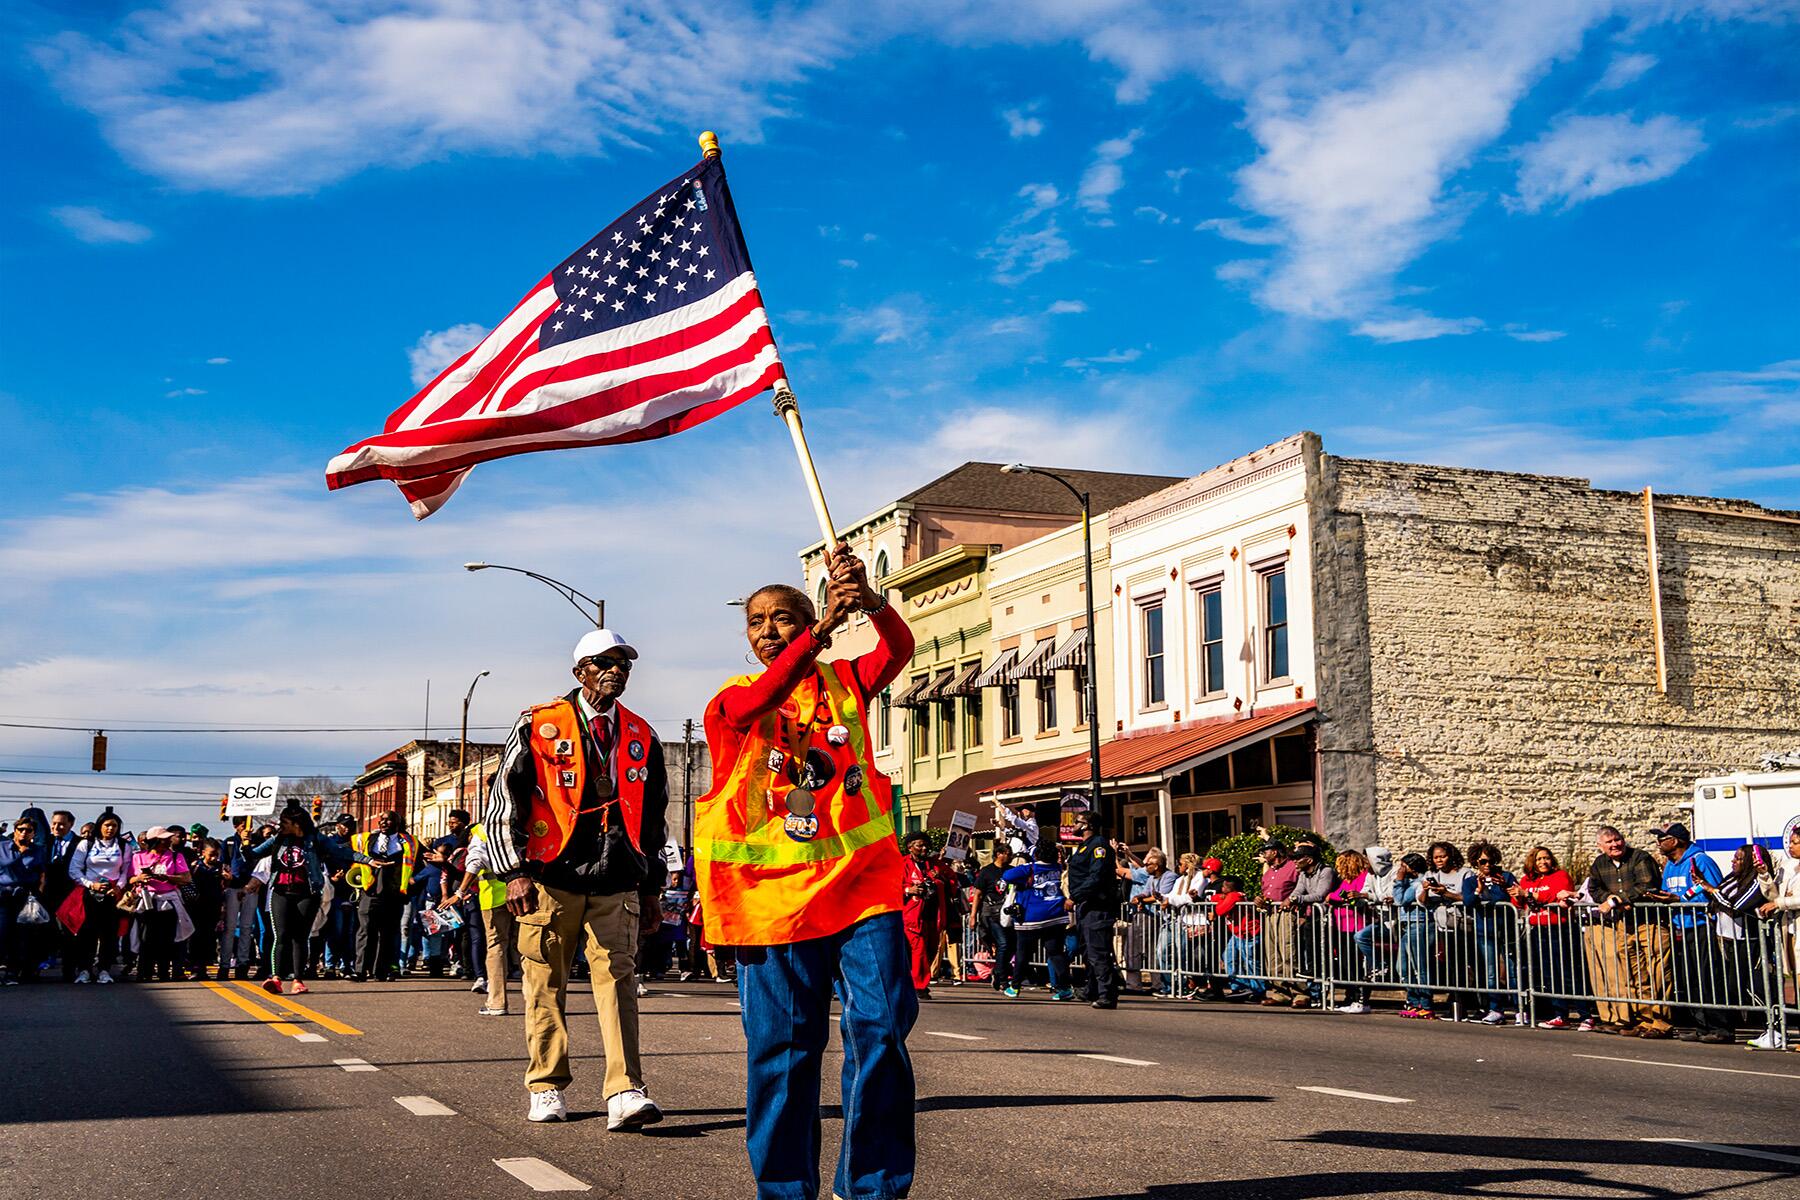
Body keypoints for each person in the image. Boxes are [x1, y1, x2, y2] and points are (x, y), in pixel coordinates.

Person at [691, 548, 916, 1200]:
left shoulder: (848, 681)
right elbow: (762, 698)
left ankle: (871, 1188)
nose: (769, 630)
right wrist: (818, 635)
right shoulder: (731, 703)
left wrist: (870, 602)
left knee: (880, 1028)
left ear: (812, 618)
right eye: (757, 622)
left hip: (860, 887)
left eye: (785, 618)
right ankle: (786, 1192)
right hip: (771, 904)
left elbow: (897, 650)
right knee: (784, 1055)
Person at [483, 626, 668, 1131]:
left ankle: (625, 1090)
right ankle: (545, 1087)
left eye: (624, 664)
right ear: (578, 671)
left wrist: (651, 888)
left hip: (617, 880)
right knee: (544, 982)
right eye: (604, 662)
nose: (616, 671)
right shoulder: (538, 724)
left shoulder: (641, 733)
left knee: (619, 985)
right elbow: (504, 799)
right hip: (551, 877)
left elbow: (653, 818)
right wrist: (513, 872)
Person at [246, 806, 365, 995]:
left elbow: (343, 853)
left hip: (307, 893)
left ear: (296, 824)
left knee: (300, 937)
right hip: (281, 892)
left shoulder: (315, 839)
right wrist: (246, 843)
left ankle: (297, 980)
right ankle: (276, 978)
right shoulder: (278, 839)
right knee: (281, 935)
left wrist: (367, 860)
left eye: (284, 822)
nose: (280, 826)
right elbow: (253, 854)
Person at [1584, 824, 1672, 1037]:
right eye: (1609, 842)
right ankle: (1643, 1019)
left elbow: (1647, 885)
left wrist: (1617, 900)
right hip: (1624, 925)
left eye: (1618, 839)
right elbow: (1594, 889)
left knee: (1658, 972)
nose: (1615, 844)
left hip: (1649, 922)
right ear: (1600, 846)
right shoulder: (1600, 863)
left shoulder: (1639, 857)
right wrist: (1608, 899)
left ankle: (1661, 1022)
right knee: (1636, 974)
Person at [1652, 821, 1728, 1042]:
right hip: (1680, 928)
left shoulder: (1700, 860)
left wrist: (1680, 899)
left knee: (1708, 977)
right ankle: (1702, 1026)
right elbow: (1670, 892)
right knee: (1690, 978)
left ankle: (1720, 1028)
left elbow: (1715, 890)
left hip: (1702, 925)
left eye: (1662, 839)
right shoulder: (1669, 866)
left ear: (1674, 841)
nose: (1658, 843)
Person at [1690, 844, 1764, 1046]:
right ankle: (1725, 1029)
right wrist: (1706, 889)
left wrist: (1711, 889)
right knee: (1726, 986)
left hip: (1747, 940)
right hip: (1725, 938)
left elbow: (1737, 905)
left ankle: (1772, 1025)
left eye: (1739, 859)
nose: (1733, 861)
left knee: (1749, 986)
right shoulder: (1731, 878)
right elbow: (1719, 899)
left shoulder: (1756, 881)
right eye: (1733, 857)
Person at [1513, 846, 1590, 1030]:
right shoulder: (1526, 879)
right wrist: (1518, 895)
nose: (1543, 862)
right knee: (1550, 975)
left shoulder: (1561, 875)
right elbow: (1520, 902)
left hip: (1559, 929)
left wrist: (1530, 894)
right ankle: (1559, 1014)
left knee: (1569, 973)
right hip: (1538, 929)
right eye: (1538, 859)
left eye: (1546, 858)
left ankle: (1585, 1015)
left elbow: (1557, 895)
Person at [444, 820, 516, 1016]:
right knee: (527, 946)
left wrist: (459, 892)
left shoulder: (482, 830)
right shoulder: (524, 820)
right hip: (526, 893)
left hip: (494, 896)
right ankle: (536, 1001)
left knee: (496, 946)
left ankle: (497, 1002)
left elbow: (476, 861)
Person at [347, 810, 418, 983]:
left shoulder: (409, 841)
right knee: (365, 930)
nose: (383, 823)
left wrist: (413, 882)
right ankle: (361, 970)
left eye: (388, 820)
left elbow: (423, 862)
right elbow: (345, 854)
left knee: (389, 933)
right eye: (382, 820)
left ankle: (382, 970)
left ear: (397, 823)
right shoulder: (364, 839)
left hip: (394, 894)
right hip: (370, 891)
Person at [1001, 839, 1073, 1000]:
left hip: (1031, 917)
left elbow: (1008, 874)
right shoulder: (1057, 868)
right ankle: (1065, 988)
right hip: (1056, 915)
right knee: (1056, 954)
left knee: (1023, 954)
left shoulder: (1030, 868)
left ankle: (1015, 986)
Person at [1066, 809, 1123, 1009]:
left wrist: (1075, 897)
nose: (1074, 825)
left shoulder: (1099, 845)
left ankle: (1107, 994)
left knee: (1098, 952)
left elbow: (1096, 877)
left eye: (1077, 821)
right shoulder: (1084, 847)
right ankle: (1092, 989)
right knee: (1087, 952)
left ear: (1088, 825)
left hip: (1097, 906)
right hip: (1086, 907)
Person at [68, 809, 131, 984]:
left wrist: (118, 887)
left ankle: (104, 969)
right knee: (86, 933)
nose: (110, 829)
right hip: (89, 893)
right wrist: (91, 884)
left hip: (112, 894)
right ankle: (84, 969)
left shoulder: (124, 846)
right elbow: (74, 869)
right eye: (107, 825)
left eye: (114, 826)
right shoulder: (86, 844)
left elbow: (125, 870)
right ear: (100, 826)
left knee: (109, 934)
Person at [1461, 841, 1518, 1024]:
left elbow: (1506, 899)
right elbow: (1468, 902)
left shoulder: (1506, 877)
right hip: (1484, 931)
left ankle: (1520, 1009)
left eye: (1490, 861)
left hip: (1506, 930)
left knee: (1513, 970)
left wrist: (1500, 887)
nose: (1487, 866)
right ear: (1475, 863)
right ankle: (1495, 1009)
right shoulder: (1470, 881)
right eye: (1482, 862)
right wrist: (1479, 890)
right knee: (1492, 972)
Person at [1753, 825, 1799, 1051]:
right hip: (1790, 929)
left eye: (1795, 843)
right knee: (1797, 981)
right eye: (1790, 842)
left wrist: (1782, 902)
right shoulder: (1788, 867)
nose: (1790, 847)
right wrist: (1764, 874)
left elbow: (1785, 900)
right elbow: (1773, 894)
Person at [127, 827, 192, 982]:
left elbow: (186, 878)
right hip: (146, 900)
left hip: (168, 901)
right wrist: (139, 878)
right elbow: (129, 879)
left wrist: (167, 877)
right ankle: (144, 972)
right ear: (154, 841)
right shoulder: (138, 857)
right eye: (163, 839)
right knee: (145, 938)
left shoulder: (176, 856)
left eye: (168, 838)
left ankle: (164, 972)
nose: (167, 841)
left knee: (166, 938)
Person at [1287, 840, 1338, 1009]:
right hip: (1312, 917)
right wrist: (1291, 898)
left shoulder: (1326, 871)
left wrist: (1297, 900)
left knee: (1323, 957)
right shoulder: (1303, 874)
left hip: (1328, 917)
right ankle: (1315, 994)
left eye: (1297, 858)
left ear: (1309, 859)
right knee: (1308, 950)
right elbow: (1297, 891)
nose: (1294, 861)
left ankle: (1324, 994)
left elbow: (1320, 895)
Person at [0, 815, 47, 986]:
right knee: (2, 933)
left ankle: (13, 972)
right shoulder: (2, 847)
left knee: (20, 937)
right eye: (21, 830)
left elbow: (42, 875)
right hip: (3, 896)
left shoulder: (38, 850)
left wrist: (38, 896)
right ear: (15, 830)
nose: (24, 833)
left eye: (29, 830)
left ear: (34, 833)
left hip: (26, 898)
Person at [1126, 848, 1178, 996]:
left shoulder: (1169, 876)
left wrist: (1143, 900)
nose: (1145, 865)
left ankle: (1159, 983)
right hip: (1145, 915)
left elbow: (1161, 896)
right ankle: (1135, 984)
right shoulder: (1151, 877)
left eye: (1148, 864)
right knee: (1133, 949)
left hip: (1160, 918)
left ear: (1156, 866)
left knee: (1153, 951)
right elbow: (1147, 892)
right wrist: (1140, 897)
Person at [1326, 850, 1373, 1014]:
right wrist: (1336, 896)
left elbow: (1349, 896)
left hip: (1357, 926)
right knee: (1346, 964)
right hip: (1342, 926)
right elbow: (1335, 895)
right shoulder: (1346, 880)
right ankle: (1349, 996)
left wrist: (1337, 897)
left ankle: (1359, 998)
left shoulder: (1363, 877)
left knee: (1356, 965)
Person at [1255, 838, 1301, 1006]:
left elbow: (1300, 887)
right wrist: (1259, 900)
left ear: (1275, 852)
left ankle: (1299, 992)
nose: (1263, 855)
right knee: (1272, 955)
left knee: (1289, 952)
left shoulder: (1293, 867)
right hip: (1270, 913)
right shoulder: (1268, 872)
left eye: (1265, 851)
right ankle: (1279, 991)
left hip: (1287, 913)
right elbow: (1265, 891)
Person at [901, 831, 945, 999]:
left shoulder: (935, 864)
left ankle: (915, 981)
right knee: (918, 950)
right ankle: (919, 986)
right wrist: (908, 890)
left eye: (926, 845)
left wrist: (939, 877)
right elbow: (890, 888)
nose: (924, 848)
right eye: (920, 845)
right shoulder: (902, 864)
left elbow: (954, 880)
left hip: (934, 914)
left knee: (931, 949)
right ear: (910, 847)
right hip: (912, 916)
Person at [1392, 852, 1436, 1018]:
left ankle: (1425, 1004)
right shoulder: (1409, 882)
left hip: (1419, 924)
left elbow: (1400, 900)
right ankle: (1413, 1001)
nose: (1401, 868)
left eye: (1404, 865)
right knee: (1402, 967)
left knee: (1420, 966)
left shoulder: (1419, 881)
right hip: (1406, 926)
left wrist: (1398, 880)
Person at [219, 817, 263, 981]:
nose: (248, 830)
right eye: (244, 826)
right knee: (229, 928)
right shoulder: (229, 842)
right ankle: (224, 965)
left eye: (250, 826)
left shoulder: (257, 842)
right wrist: (226, 877)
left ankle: (242, 964)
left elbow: (260, 863)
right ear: (236, 826)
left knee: (246, 927)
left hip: (251, 888)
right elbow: (224, 864)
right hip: (233, 888)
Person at [321, 814, 360, 978]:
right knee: (334, 930)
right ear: (337, 825)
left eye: (350, 825)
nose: (348, 828)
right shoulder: (329, 843)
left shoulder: (356, 843)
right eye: (344, 825)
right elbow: (321, 865)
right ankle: (330, 965)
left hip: (351, 891)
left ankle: (347, 965)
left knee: (349, 931)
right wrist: (331, 877)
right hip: (334, 892)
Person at [972, 844, 1016, 992]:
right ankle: (1003, 979)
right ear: (999, 854)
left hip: (1008, 913)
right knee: (1002, 944)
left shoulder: (1012, 871)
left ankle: (997, 972)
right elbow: (977, 894)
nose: (1010, 856)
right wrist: (973, 916)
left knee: (1010, 946)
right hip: (991, 913)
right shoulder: (986, 872)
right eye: (1008, 853)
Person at [1215, 875, 1262, 1000]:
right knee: (1228, 957)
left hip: (1249, 933)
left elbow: (1219, 910)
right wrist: (1221, 899)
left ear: (1230, 887)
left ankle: (1258, 990)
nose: (1222, 888)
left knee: (1251, 962)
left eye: (1224, 886)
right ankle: (1239, 987)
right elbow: (1213, 898)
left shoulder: (1235, 895)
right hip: (1237, 933)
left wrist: (1221, 901)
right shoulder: (1230, 896)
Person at [186, 839, 226, 980]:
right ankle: (195, 967)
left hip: (213, 907)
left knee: (209, 938)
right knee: (196, 937)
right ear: (203, 853)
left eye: (217, 854)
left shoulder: (221, 867)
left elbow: (226, 887)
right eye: (211, 854)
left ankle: (204, 967)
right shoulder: (196, 867)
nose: (215, 858)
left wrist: (227, 878)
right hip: (196, 907)